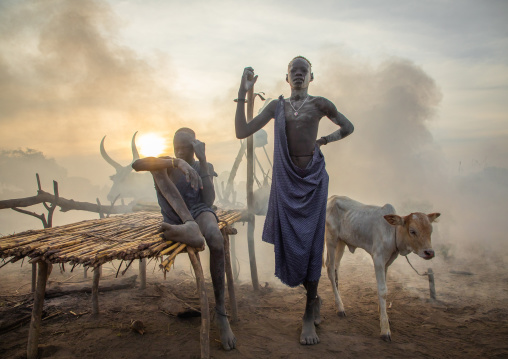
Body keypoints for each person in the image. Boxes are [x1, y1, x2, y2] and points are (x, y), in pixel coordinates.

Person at [235, 56, 354, 345]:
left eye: (304, 71)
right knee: (292, 244)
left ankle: (307, 313)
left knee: (312, 245)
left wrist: (323, 141)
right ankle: (314, 299)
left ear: (311, 77)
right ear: (286, 78)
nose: (299, 75)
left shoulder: (320, 104)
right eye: (294, 71)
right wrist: (242, 91)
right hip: (286, 183)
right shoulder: (277, 107)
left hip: (313, 181)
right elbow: (242, 131)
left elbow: (348, 127)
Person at [132, 128, 236, 351]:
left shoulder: (202, 166)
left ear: (195, 146)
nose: (180, 151)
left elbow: (208, 200)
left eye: (185, 148)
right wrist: (176, 162)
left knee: (216, 239)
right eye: (176, 146)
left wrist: (203, 161)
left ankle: (221, 312)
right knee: (155, 168)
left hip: (198, 212)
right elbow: (137, 165)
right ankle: (187, 229)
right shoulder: (168, 163)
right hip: (174, 215)